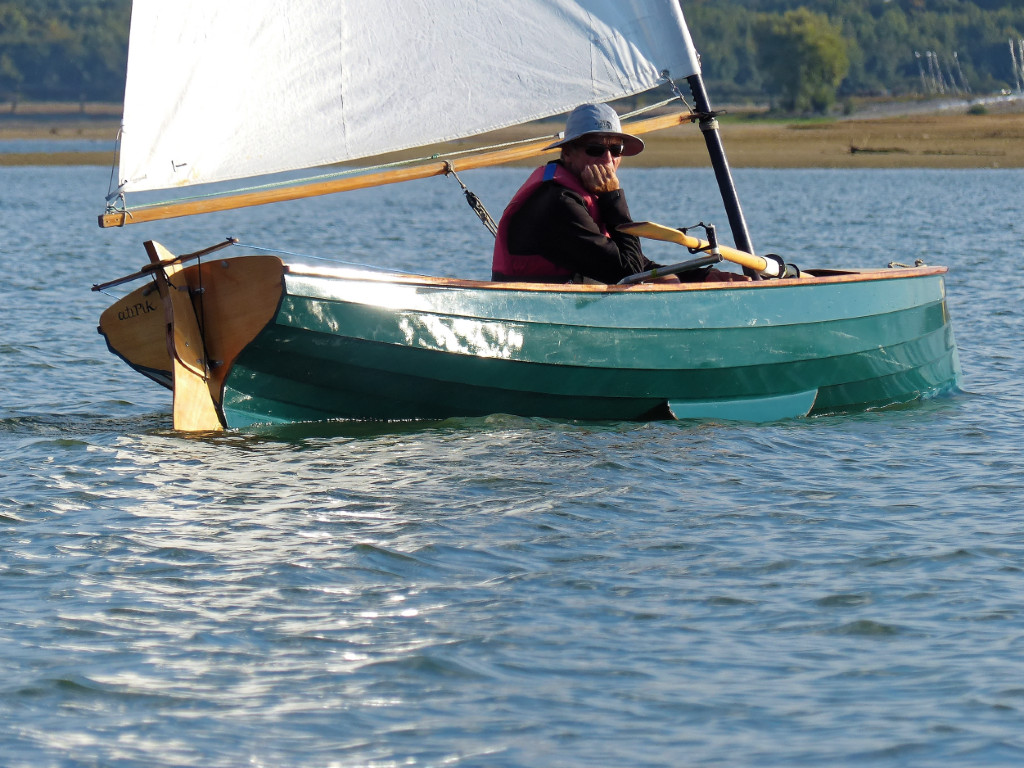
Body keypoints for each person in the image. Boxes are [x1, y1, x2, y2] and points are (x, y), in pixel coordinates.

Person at [492, 103, 748, 284]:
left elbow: (640, 265)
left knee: (669, 281)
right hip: (538, 316)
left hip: (568, 309)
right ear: (567, 153)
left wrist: (702, 276)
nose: (608, 159)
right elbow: (628, 271)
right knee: (667, 284)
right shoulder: (558, 203)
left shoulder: (579, 195)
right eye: (595, 149)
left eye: (616, 149)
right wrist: (613, 197)